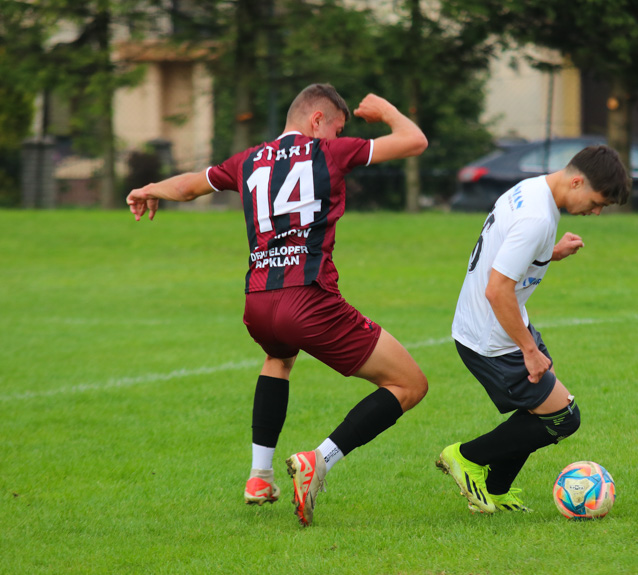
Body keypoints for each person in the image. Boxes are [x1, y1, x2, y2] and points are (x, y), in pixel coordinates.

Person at [127, 84, 429, 526]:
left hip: (258, 302)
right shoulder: (330, 153)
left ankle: (259, 475)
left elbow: (192, 186)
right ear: (317, 120)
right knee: (410, 385)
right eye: (335, 129)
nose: (335, 138)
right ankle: (320, 460)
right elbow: (414, 141)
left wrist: (150, 187)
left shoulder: (248, 159)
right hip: (308, 299)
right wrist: (386, 110)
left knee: (278, 357)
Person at [436, 145, 630, 513]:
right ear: (576, 181)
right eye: (597, 201)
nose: (597, 211)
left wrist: (550, 252)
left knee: (544, 409)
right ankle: (465, 457)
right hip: (492, 337)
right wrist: (528, 349)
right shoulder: (538, 217)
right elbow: (497, 290)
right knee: (562, 418)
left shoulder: (532, 190)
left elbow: (505, 249)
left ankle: (495, 489)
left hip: (502, 323)